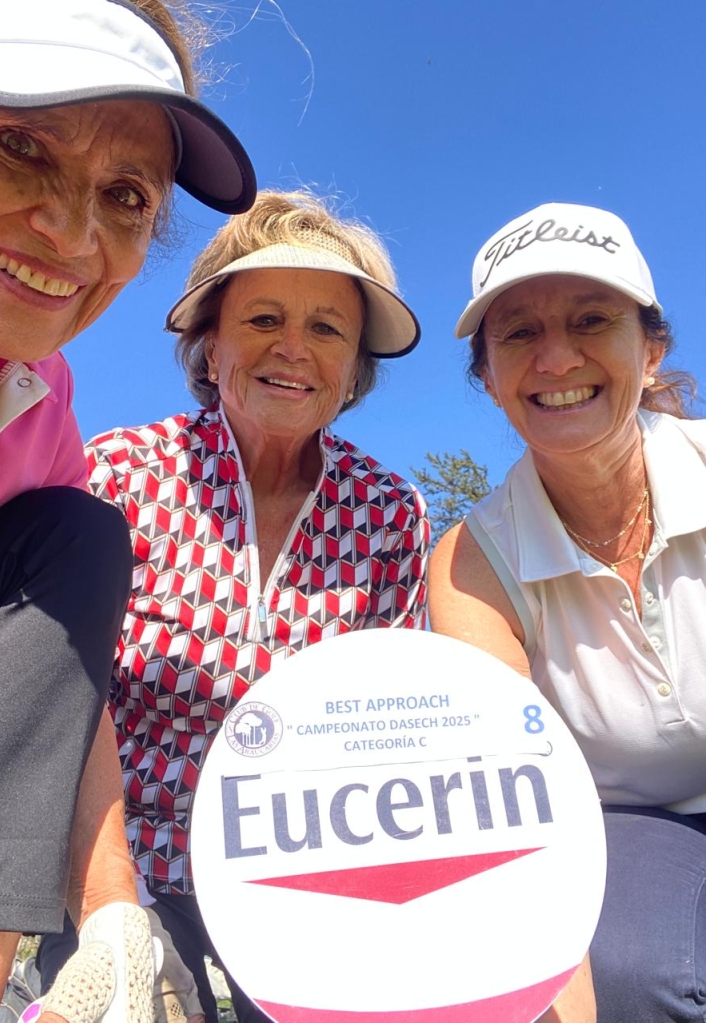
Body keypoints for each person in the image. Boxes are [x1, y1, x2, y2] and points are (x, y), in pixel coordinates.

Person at [37, 189, 429, 1023]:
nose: (293, 348)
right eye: (262, 320)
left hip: (306, 870)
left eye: (327, 328)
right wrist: (115, 916)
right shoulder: (119, 474)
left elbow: (390, 726)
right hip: (124, 860)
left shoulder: (390, 512)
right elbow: (62, 701)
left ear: (354, 367)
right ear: (210, 347)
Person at [0, 0, 255, 1020]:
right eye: (20, 145)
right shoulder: (143, 458)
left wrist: (115, 911)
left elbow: (56, 660)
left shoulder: (45, 404)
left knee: (77, 535)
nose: (73, 234)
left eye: (125, 196)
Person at [429, 201, 705, 1023]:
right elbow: (510, 805)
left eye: (590, 320)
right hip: (629, 825)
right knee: (626, 970)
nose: (555, 358)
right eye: (518, 333)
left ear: (649, 352)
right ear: (488, 379)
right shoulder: (471, 562)